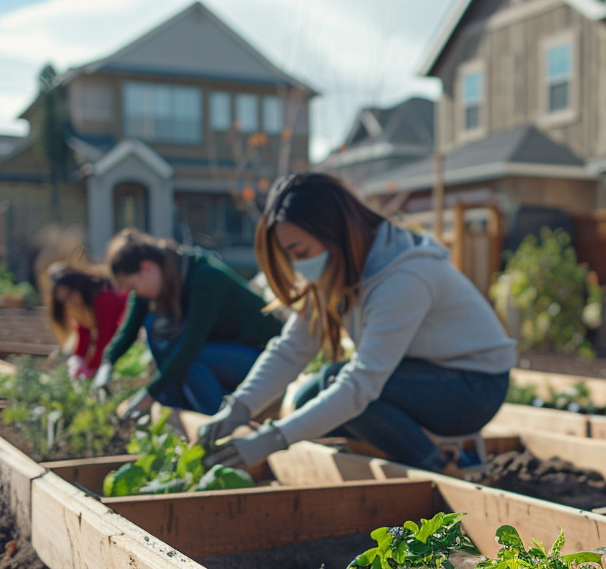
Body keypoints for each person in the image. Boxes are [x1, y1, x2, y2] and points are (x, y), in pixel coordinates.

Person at [198, 172, 515, 472]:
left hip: (475, 387)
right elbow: (292, 348)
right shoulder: (339, 269)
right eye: (290, 255)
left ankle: (438, 466)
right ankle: (396, 450)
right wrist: (238, 408)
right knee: (311, 396)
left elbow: (361, 383)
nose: (299, 264)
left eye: (301, 251)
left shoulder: (404, 277)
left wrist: (272, 440)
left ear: (334, 232)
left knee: (342, 387)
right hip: (423, 376)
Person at [94, 229, 283, 416]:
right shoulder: (156, 285)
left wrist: (149, 395)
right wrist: (107, 364)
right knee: (157, 333)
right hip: (223, 356)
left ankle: (220, 421)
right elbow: (129, 330)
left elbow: (189, 347)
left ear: (146, 268)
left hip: (264, 358)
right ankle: (185, 411)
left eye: (133, 286)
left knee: (189, 359)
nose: (136, 293)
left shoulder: (204, 277)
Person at [43, 262, 129, 379]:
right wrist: (77, 359)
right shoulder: (84, 306)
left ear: (78, 287)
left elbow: (105, 338)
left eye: (69, 296)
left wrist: (92, 368)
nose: (69, 302)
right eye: (64, 301)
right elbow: (84, 333)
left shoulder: (103, 298)